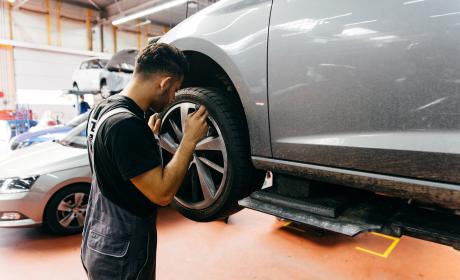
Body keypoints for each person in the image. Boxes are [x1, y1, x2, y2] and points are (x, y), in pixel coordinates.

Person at [80, 43, 209, 280]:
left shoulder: (103, 109)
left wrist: (147, 141)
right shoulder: (126, 126)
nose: (172, 98)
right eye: (174, 89)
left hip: (98, 237)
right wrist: (189, 140)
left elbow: (115, 165)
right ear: (164, 82)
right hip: (122, 254)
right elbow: (161, 194)